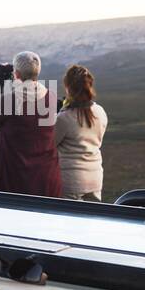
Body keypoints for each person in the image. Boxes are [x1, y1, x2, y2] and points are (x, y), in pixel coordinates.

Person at [0, 51, 61, 197]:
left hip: (17, 179)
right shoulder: (51, 96)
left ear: (16, 74)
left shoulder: (10, 100)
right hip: (47, 177)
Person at [53, 64, 109, 201]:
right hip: (95, 177)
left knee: (70, 220)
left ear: (68, 87)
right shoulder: (100, 112)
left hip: (71, 181)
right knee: (94, 219)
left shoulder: (64, 117)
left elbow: (50, 143)